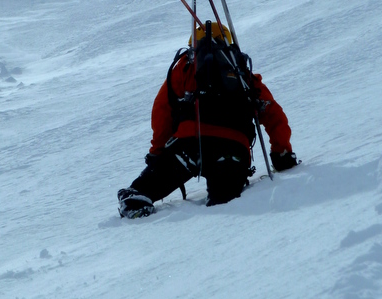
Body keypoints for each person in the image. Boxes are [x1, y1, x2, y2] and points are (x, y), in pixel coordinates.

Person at [118, 21, 298, 218]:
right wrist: (282, 154)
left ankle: (137, 200)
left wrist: (158, 152)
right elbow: (273, 114)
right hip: (233, 149)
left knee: (140, 193)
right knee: (224, 201)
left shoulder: (186, 66)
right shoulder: (242, 74)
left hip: (189, 144)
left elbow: (162, 110)